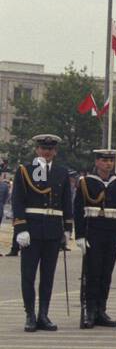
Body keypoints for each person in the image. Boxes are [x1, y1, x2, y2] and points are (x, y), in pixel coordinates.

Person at [13, 133, 72, 331]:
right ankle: (30, 314)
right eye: (43, 148)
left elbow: (66, 203)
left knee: (48, 276)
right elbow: (18, 201)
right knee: (28, 275)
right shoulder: (24, 171)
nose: (46, 152)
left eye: (50, 149)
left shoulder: (62, 173)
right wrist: (21, 227)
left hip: (53, 230)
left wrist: (67, 229)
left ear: (55, 151)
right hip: (32, 229)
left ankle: (43, 314)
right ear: (37, 150)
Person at [73, 148, 116, 329]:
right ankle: (89, 310)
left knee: (106, 273)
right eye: (104, 160)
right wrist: (80, 235)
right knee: (93, 272)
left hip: (112, 231)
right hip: (94, 231)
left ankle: (101, 309)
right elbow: (78, 211)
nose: (108, 164)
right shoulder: (86, 183)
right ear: (97, 162)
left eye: (111, 160)